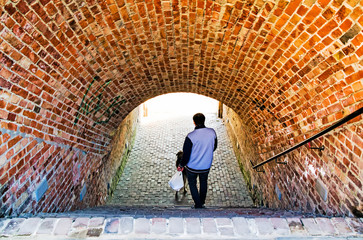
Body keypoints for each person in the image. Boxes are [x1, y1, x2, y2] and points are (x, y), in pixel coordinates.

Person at [178, 113, 217, 209]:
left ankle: (198, 204)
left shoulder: (191, 136)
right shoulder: (212, 132)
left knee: (192, 184)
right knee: (203, 182)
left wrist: (181, 165)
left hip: (192, 166)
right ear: (204, 121)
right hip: (206, 165)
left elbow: (186, 154)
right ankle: (202, 201)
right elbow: (214, 146)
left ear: (194, 122)